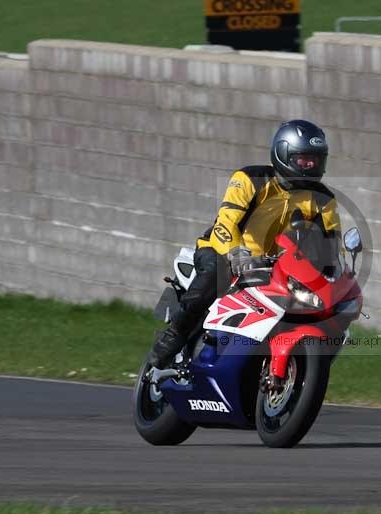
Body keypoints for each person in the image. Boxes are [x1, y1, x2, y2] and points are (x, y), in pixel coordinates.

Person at [146, 119, 341, 370]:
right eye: (303, 159)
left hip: (273, 267)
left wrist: (333, 273)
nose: (310, 165)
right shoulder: (250, 178)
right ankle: (173, 336)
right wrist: (237, 252)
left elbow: (331, 243)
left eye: (316, 159)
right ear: (283, 153)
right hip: (222, 250)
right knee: (216, 274)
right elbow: (226, 221)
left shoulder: (323, 199)